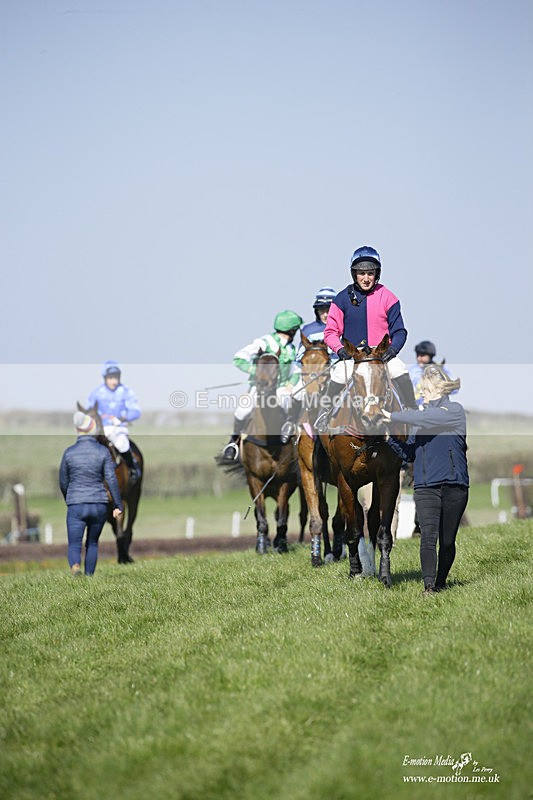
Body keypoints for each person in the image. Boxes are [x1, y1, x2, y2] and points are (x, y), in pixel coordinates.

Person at [381, 365, 469, 594]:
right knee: (428, 538)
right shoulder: (419, 421)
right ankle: (429, 586)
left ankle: (441, 581)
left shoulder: (454, 411)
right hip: (426, 486)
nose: (423, 395)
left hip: (454, 485)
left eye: (426, 390)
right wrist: (390, 438)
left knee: (447, 541)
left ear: (439, 388)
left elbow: (428, 417)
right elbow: (409, 453)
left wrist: (393, 415)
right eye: (421, 390)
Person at [317, 245, 417, 431]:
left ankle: (412, 412)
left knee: (399, 368)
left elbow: (400, 332)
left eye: (370, 273)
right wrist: (340, 350)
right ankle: (325, 413)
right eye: (361, 273)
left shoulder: (389, 297)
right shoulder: (341, 299)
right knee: (339, 373)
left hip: (381, 356)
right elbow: (330, 332)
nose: (366, 278)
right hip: (353, 357)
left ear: (376, 274)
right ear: (354, 274)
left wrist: (393, 350)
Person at [221, 310, 303, 460]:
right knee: (242, 411)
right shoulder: (263, 343)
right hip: (259, 388)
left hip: (280, 389)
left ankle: (295, 445)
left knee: (288, 405)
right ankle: (233, 442)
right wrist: (255, 371)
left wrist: (291, 384)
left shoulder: (292, 349)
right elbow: (238, 359)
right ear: (292, 330)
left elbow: (296, 370)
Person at [59, 411, 123, 576]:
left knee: (74, 544)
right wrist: (117, 504)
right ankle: (89, 577)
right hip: (99, 504)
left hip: (76, 504)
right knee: (92, 543)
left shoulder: (69, 452)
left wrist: (70, 498)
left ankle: (75, 566)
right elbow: (111, 478)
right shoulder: (102, 452)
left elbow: (63, 481)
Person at [280, 287, 338, 442]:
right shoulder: (308, 330)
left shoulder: (344, 328)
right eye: (321, 310)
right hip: (312, 372)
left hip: (337, 370)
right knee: (296, 393)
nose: (325, 314)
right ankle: (290, 422)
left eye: (329, 310)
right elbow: (299, 358)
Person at [87, 360, 141, 482]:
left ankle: (132, 470)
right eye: (111, 378)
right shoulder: (96, 393)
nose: (114, 381)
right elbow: (89, 411)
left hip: (118, 428)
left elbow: (136, 411)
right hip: (101, 429)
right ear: (105, 378)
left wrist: (122, 418)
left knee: (122, 445)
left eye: (116, 378)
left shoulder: (126, 392)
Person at [409, 340, 453, 407]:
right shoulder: (412, 370)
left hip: (435, 407)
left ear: (430, 356)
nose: (419, 358)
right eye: (417, 355)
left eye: (422, 355)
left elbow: (454, 388)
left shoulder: (440, 370)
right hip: (416, 408)